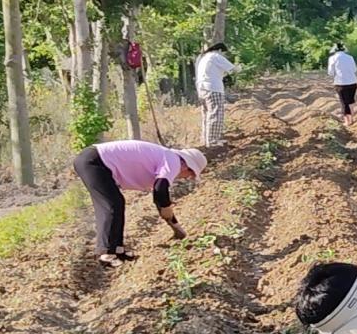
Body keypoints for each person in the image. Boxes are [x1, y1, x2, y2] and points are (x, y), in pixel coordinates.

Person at [72, 140, 206, 268]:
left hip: (93, 160)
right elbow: (160, 189)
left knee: (116, 203)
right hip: (94, 161)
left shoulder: (168, 158)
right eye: (191, 174)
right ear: (186, 166)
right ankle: (106, 253)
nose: (188, 178)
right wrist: (167, 208)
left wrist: (174, 223)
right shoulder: (174, 161)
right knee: (112, 204)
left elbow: (159, 195)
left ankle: (117, 250)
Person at [195, 43, 237, 148]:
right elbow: (232, 69)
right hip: (213, 89)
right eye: (224, 53)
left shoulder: (204, 58)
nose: (224, 56)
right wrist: (239, 67)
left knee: (206, 115)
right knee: (216, 114)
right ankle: (213, 141)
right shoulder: (216, 56)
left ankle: (206, 140)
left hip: (202, 89)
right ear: (220, 50)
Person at [328, 43, 357, 126]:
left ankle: (347, 122)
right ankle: (352, 119)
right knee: (351, 101)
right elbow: (355, 69)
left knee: (344, 103)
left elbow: (330, 72)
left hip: (340, 83)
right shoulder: (350, 57)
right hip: (353, 82)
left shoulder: (333, 58)